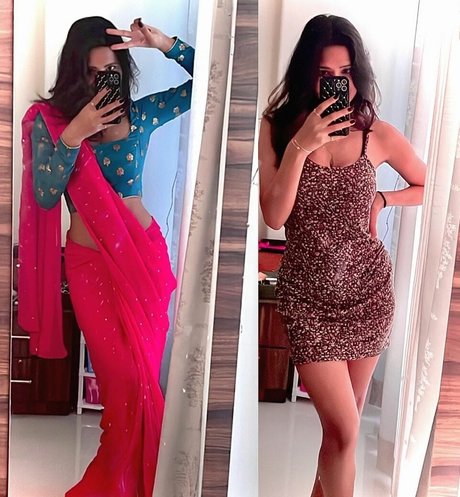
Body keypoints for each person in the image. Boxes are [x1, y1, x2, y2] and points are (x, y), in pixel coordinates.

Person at [18, 15, 194, 497]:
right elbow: (46, 194)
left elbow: (208, 90)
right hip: (90, 268)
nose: (101, 82)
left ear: (124, 71)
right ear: (76, 73)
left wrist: (165, 44)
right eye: (92, 73)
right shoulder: (52, 123)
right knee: (123, 385)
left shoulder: (143, 115)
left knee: (143, 382)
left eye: (110, 72)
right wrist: (74, 135)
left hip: (144, 266)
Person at [258, 14, 425, 497]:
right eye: (325, 73)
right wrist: (300, 147)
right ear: (306, 74)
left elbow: (427, 183)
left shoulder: (377, 134)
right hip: (308, 300)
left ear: (359, 74)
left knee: (340, 435)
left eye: (346, 73)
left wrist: (384, 198)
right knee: (345, 430)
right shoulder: (277, 129)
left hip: (368, 296)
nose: (337, 83)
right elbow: (274, 215)